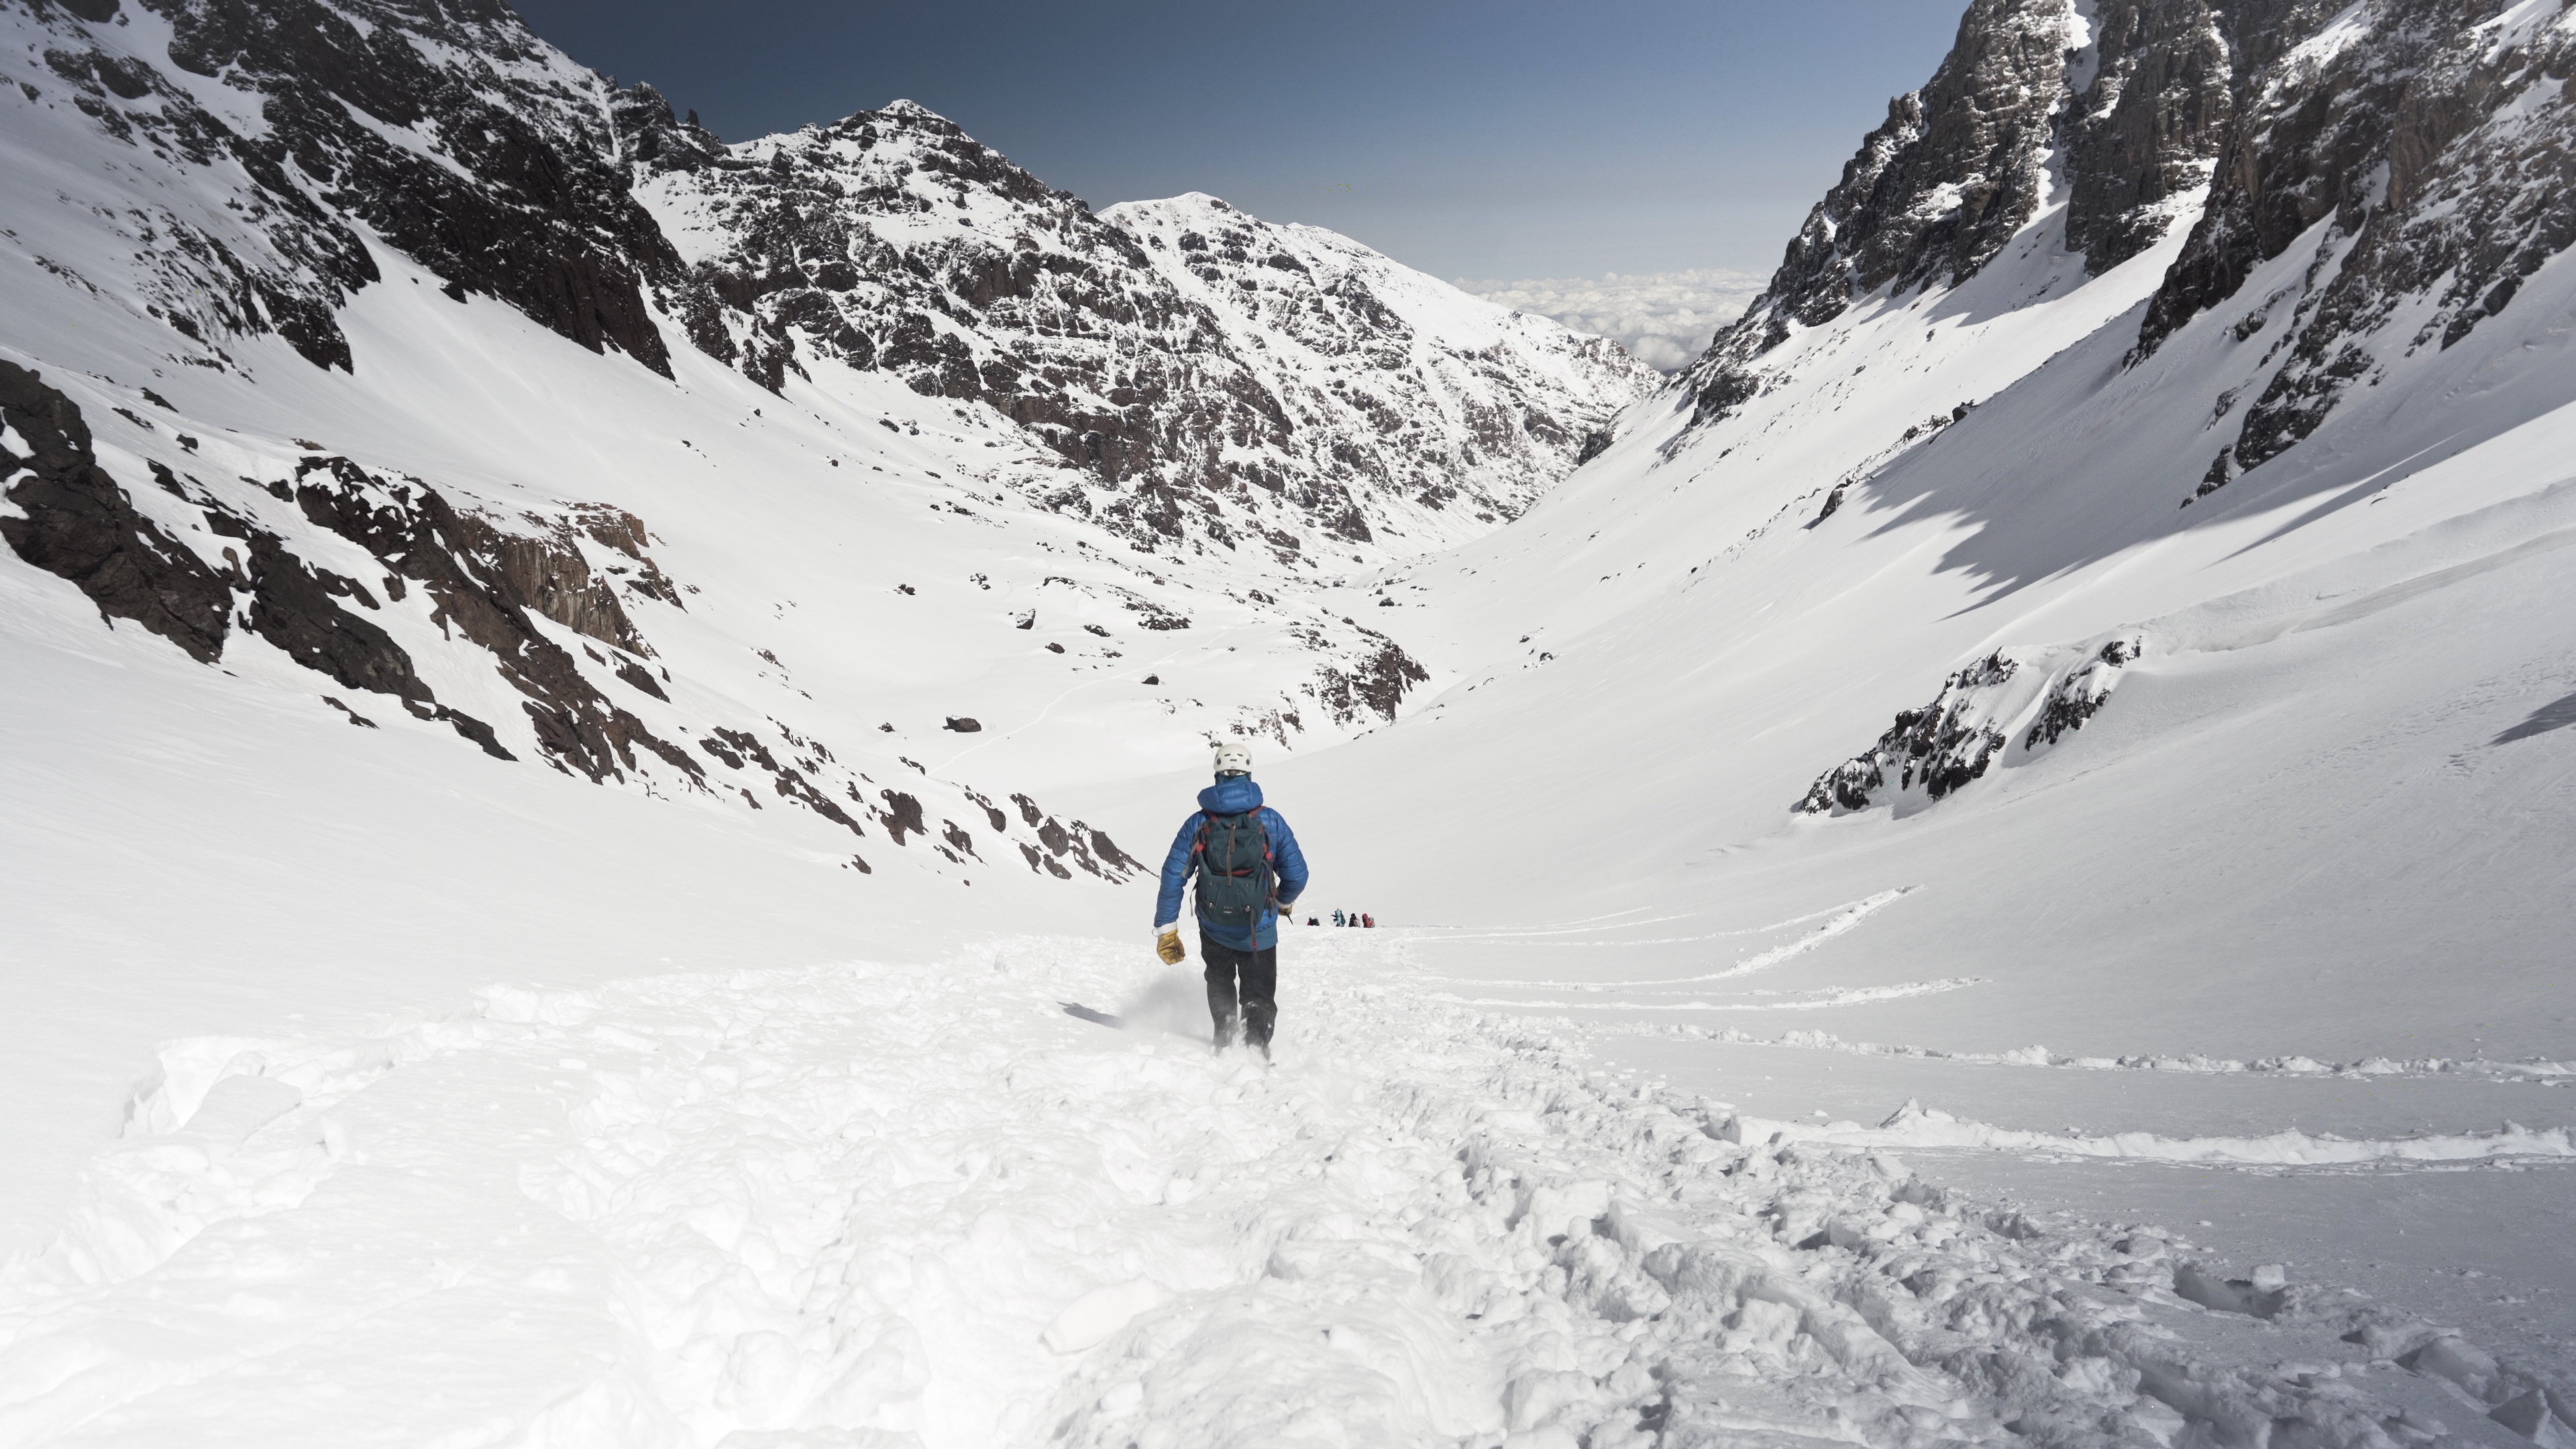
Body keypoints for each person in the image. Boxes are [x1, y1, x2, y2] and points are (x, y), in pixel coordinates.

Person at [1155, 743, 1309, 1057]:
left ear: (1217, 776)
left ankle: (1224, 1038)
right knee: (1259, 992)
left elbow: (1173, 875)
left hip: (1213, 925)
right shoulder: (1270, 821)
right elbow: (1297, 875)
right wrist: (1282, 902)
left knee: (1220, 979)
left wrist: (1166, 928)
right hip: (1259, 928)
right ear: (1248, 775)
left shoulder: (1198, 823)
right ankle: (1254, 1049)